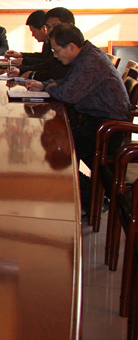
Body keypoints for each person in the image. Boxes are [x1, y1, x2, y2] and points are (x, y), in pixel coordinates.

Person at [25, 23, 130, 217]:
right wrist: (45, 85)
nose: (55, 56)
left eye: (56, 51)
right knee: (55, 146)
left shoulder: (90, 62)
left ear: (71, 47)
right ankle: (93, 195)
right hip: (97, 122)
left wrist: (50, 88)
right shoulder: (85, 57)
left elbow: (68, 94)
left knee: (56, 152)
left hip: (108, 128)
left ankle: (94, 199)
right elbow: (67, 84)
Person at [13, 7, 74, 81]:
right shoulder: (53, 42)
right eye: (49, 27)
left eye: (55, 26)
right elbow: (48, 64)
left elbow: (56, 74)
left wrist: (31, 73)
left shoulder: (70, 47)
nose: (51, 30)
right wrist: (22, 69)